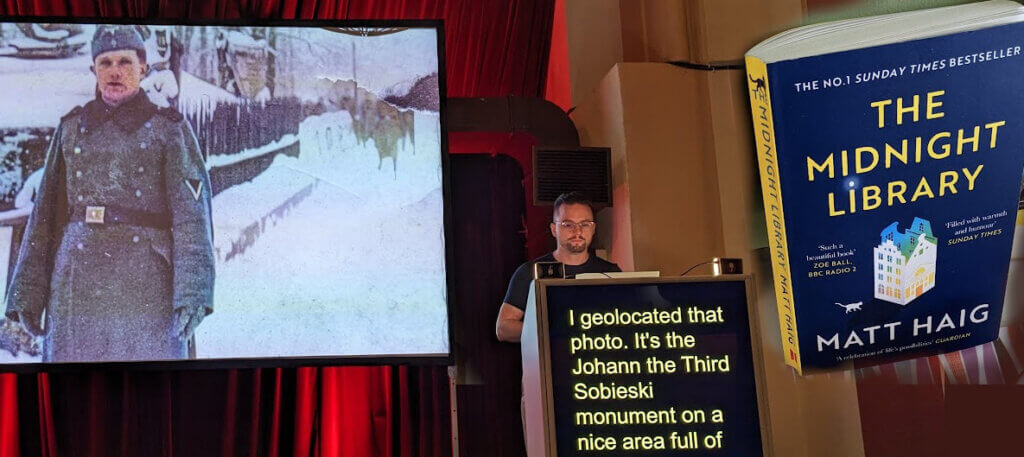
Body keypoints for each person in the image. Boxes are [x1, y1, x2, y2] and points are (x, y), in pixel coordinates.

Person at [3, 25, 215, 362]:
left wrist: (193, 292)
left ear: (142, 69)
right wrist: (26, 293)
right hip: (76, 284)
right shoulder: (71, 128)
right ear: (94, 71)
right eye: (105, 63)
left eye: (124, 62)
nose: (115, 71)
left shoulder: (169, 130)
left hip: (146, 286)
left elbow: (192, 218)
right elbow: (45, 217)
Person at [495, 191, 620, 342]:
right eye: (568, 225)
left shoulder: (611, 273)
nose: (577, 231)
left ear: (593, 229)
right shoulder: (530, 272)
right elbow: (503, 328)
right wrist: (552, 331)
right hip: (551, 363)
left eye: (585, 224)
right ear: (554, 229)